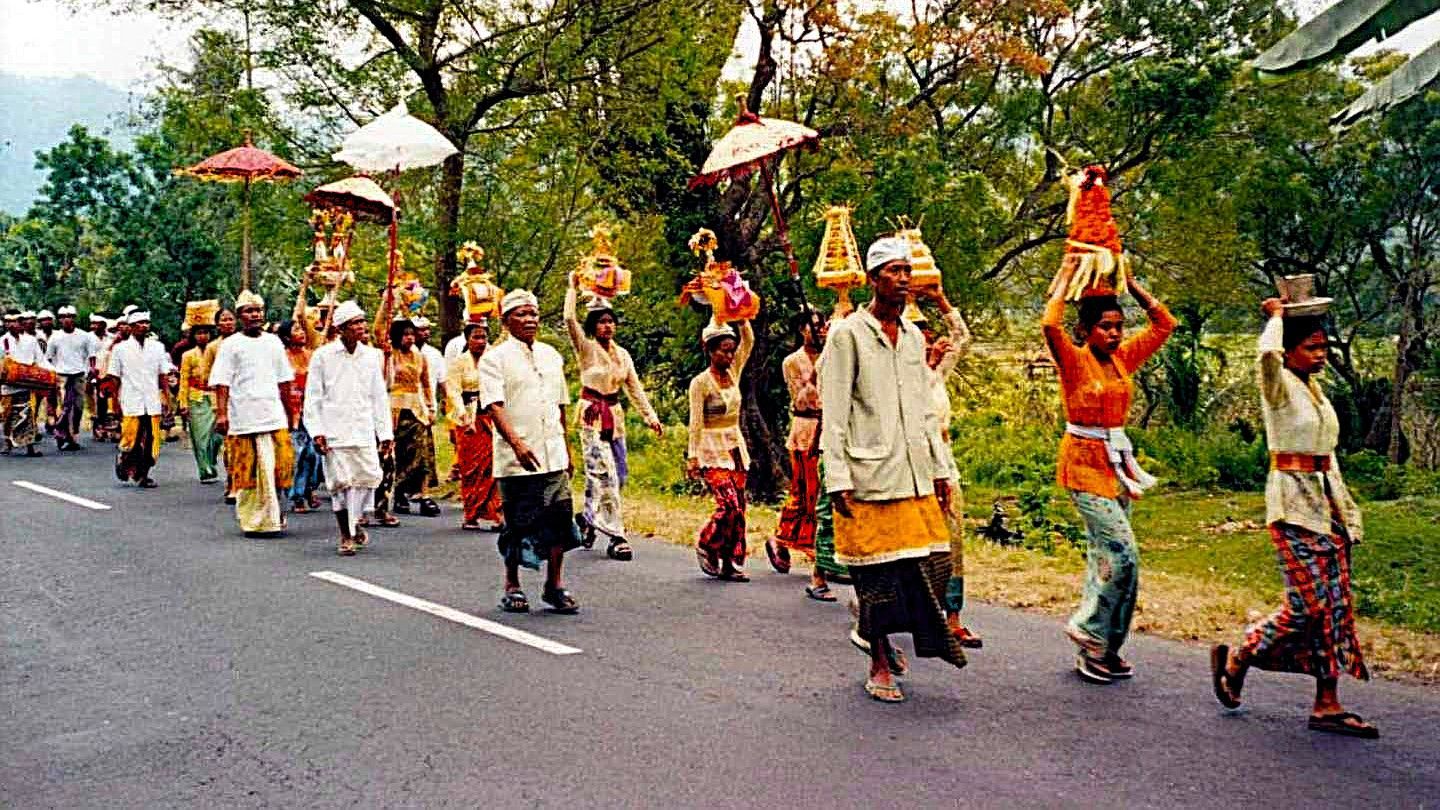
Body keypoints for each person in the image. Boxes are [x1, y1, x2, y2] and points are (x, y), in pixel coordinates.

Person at [1210, 298, 1375, 738]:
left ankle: (1327, 703)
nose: (1320, 355)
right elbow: (1266, 354)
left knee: (1336, 610)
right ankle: (1242, 654)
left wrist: (1348, 512)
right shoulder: (1277, 384)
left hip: (1328, 509)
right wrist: (1277, 318)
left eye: (1323, 347)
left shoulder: (1316, 392)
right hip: (1292, 508)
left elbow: (1327, 457)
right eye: (1310, 348)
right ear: (1289, 350)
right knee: (1307, 606)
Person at [819, 236, 967, 704]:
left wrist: (940, 469)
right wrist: (837, 477)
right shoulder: (847, 335)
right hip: (868, 475)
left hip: (916, 474)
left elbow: (925, 410)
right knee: (878, 577)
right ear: (872, 278)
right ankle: (879, 661)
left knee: (931, 568)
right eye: (894, 272)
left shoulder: (914, 339)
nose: (904, 280)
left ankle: (868, 623)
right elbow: (836, 413)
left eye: (908, 272)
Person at [1042, 257, 1175, 685]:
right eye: (1105, 326)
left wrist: (1133, 285)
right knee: (1123, 554)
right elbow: (1049, 326)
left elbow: (1163, 326)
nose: (1115, 334)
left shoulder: (1121, 360)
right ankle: (1089, 630)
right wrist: (1062, 280)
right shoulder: (1075, 360)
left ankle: (1108, 647)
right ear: (1085, 331)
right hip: (1082, 466)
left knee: (1113, 560)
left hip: (1116, 467)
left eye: (1118, 326)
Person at [480, 289, 581, 614]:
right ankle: (512, 584)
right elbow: (494, 406)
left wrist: (566, 447)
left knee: (560, 518)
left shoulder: (552, 356)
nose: (529, 320)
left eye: (533, 313)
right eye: (521, 314)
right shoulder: (494, 359)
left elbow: (560, 404)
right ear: (506, 320)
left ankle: (554, 585)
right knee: (518, 523)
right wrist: (517, 444)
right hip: (516, 459)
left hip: (552, 453)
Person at [564, 272, 663, 561]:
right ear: (593, 326)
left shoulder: (623, 354)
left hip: (615, 419)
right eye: (601, 322)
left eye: (610, 321)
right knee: (602, 473)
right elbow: (570, 321)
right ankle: (616, 536)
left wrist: (650, 416)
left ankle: (587, 518)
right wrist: (572, 289)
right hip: (592, 417)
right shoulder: (586, 349)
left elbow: (634, 387)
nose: (607, 326)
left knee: (618, 475)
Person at [918, 289, 983, 649]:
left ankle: (953, 617)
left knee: (953, 542)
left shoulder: (937, 375)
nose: (930, 345)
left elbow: (962, 338)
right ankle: (919, 617)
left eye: (929, 337)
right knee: (919, 547)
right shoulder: (902, 379)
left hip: (945, 464)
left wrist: (941, 299)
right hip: (911, 472)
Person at [305, 301, 393, 556]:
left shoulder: (371, 356)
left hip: (363, 430)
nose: (361, 327)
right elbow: (313, 397)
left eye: (362, 322)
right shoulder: (322, 356)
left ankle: (355, 525)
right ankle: (346, 534)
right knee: (340, 483)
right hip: (334, 431)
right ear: (341, 328)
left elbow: (378, 397)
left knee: (367, 478)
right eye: (355, 323)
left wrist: (385, 433)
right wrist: (317, 431)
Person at [209, 291, 296, 536]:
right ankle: (252, 521)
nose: (255, 315)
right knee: (248, 472)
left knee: (277, 468)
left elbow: (284, 381)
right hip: (243, 418)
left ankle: (274, 515)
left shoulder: (273, 342)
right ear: (240, 317)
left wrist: (291, 412)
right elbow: (222, 383)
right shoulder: (230, 345)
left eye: (258, 310)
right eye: (249, 311)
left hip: (273, 415)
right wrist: (223, 414)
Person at [766, 310, 834, 600]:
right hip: (807, 429)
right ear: (801, 329)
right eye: (813, 326)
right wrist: (819, 372)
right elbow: (803, 397)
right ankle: (792, 543)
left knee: (817, 493)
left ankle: (787, 540)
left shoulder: (833, 353)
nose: (818, 331)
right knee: (807, 492)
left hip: (831, 429)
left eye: (822, 326)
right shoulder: (793, 362)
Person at [686, 318, 755, 581]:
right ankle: (707, 542)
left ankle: (730, 561)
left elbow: (748, 340)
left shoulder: (733, 372)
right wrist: (693, 456)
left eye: (730, 351)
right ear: (710, 351)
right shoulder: (701, 383)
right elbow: (696, 421)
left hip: (734, 447)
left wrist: (740, 313)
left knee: (740, 508)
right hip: (711, 448)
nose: (728, 355)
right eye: (722, 350)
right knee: (728, 505)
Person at [374, 311, 439, 521]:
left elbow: (427, 383)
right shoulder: (387, 353)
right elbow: (378, 329)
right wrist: (387, 300)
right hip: (392, 408)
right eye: (405, 334)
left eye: (412, 334)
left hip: (416, 409)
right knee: (394, 455)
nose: (410, 338)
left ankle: (422, 493)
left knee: (421, 452)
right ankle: (397, 493)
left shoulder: (420, 356)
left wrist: (431, 407)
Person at [445, 319, 504, 531]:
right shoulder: (458, 363)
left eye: (483, 337)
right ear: (467, 339)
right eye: (476, 337)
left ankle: (497, 513)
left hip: (491, 417)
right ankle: (471, 514)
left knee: (494, 465)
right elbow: (453, 391)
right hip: (468, 420)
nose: (480, 341)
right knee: (471, 469)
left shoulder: (493, 359)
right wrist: (464, 417)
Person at [108, 311, 174, 487]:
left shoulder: (157, 347)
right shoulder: (120, 349)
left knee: (151, 440)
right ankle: (124, 459)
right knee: (132, 438)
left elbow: (162, 375)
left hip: (152, 400)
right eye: (139, 323)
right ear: (130, 327)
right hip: (131, 400)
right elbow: (114, 378)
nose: (144, 326)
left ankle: (143, 474)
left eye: (147, 323)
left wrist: (167, 398)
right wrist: (114, 403)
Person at [277, 316, 322, 513]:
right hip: (290, 411)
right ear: (286, 337)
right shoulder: (282, 358)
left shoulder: (313, 356)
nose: (301, 332)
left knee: (313, 454)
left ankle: (309, 488)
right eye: (296, 330)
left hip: (312, 410)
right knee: (298, 453)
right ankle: (296, 495)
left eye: (302, 329)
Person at [46, 305, 100, 452]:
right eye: (63, 317)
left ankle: (73, 435)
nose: (67, 319)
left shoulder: (84, 336)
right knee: (64, 407)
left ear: (74, 318)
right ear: (60, 320)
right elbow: (49, 358)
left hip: (79, 374)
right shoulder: (55, 337)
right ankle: (64, 435)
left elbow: (92, 355)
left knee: (78, 406)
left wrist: (93, 369)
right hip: (61, 375)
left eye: (70, 316)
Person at [0, 309, 53, 457]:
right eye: (8, 321)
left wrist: (51, 375)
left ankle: (30, 446)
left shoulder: (30, 340)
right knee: (8, 415)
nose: (11, 324)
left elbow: (40, 360)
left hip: (28, 383)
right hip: (8, 385)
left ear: (21, 323)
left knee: (28, 414)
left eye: (14, 321)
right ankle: (7, 443)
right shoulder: (3, 341)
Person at [178, 322, 223, 483]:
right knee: (199, 436)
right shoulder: (188, 355)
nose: (202, 336)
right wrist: (182, 403)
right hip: (196, 397)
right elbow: (184, 379)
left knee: (217, 436)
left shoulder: (218, 351)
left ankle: (211, 462)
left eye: (205, 333)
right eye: (199, 333)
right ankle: (205, 470)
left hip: (215, 396)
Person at [204, 308, 239, 503]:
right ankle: (232, 480)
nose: (228, 323)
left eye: (230, 319)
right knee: (230, 444)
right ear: (217, 324)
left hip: (245, 400)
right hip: (222, 400)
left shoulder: (245, 342)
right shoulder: (213, 348)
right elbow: (206, 376)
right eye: (224, 320)